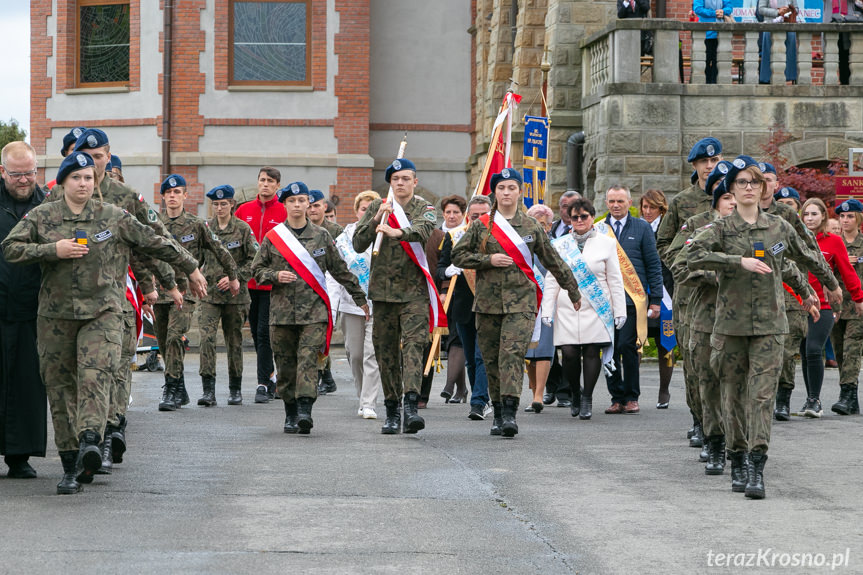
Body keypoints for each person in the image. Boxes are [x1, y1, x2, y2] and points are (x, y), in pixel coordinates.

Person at [1, 151, 202, 494]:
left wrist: (191, 268)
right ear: (63, 182)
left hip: (103, 314)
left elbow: (156, 241)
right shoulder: (42, 216)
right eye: (76, 178)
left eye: (89, 178)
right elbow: (11, 248)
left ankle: (91, 441)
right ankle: (70, 465)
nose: (84, 183)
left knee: (95, 376)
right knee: (61, 390)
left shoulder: (114, 216)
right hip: (55, 318)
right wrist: (53, 249)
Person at [687, 156, 832, 499]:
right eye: (741, 183)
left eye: (754, 182)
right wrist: (736, 261)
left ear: (764, 188)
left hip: (770, 325)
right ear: (732, 191)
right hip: (731, 327)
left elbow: (803, 256)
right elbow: (692, 255)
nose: (749, 187)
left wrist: (823, 287)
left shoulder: (778, 228)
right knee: (733, 396)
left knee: (762, 397)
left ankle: (756, 465)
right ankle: (736, 458)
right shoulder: (720, 229)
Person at [51, 128, 183, 469]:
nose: (93, 165)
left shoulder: (126, 197)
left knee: (114, 370)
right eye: (84, 157)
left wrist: (165, 283)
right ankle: (93, 438)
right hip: (74, 302)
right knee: (86, 375)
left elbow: (151, 241)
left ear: (108, 157)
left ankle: (110, 432)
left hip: (119, 300)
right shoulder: (59, 197)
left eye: (98, 157)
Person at [452, 168, 582, 437]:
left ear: (519, 191)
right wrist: (487, 261)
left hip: (521, 304)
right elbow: (458, 255)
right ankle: (498, 412)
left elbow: (552, 260)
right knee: (491, 360)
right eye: (501, 188)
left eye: (512, 187)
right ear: (495, 192)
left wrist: (573, 289)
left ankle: (510, 413)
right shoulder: (481, 225)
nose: (507, 192)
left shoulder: (531, 226)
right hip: (487, 304)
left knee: (511, 355)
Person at [252, 182, 368, 435]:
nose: (297, 205)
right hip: (281, 315)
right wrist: (274, 275)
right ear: (285, 204)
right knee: (285, 365)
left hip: (314, 314)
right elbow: (256, 271)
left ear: (309, 204)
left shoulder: (322, 236)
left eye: (302, 200)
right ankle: (290, 412)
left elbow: (339, 270)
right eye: (292, 201)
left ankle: (305, 410)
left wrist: (360, 297)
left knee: (307, 360)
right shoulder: (273, 238)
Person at [353, 158, 440, 435]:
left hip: (413, 293)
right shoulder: (380, 206)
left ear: (415, 181)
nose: (400, 183)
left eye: (406, 178)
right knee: (386, 353)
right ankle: (392, 409)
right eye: (395, 179)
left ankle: (411, 407)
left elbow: (423, 231)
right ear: (390, 182)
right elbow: (358, 243)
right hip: (383, 294)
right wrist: (377, 218)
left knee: (414, 348)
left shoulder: (424, 207)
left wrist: (397, 231)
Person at [668, 165, 737, 473]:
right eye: (725, 192)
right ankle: (710, 434)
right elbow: (675, 260)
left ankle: (737, 442)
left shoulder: (755, 228)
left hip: (740, 318)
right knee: (703, 378)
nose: (733, 199)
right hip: (702, 312)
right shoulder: (697, 226)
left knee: (737, 383)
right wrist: (712, 274)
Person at [154, 174, 239, 412]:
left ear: (184, 196)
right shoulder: (155, 224)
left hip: (186, 291)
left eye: (177, 192)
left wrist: (233, 276)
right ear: (163, 196)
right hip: (160, 291)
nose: (172, 196)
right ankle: (179, 387)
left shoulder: (196, 224)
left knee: (174, 337)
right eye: (168, 193)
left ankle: (170, 389)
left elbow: (219, 249)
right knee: (164, 343)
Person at [657, 137, 721, 446]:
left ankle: (720, 425)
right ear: (694, 166)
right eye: (704, 162)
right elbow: (664, 244)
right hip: (690, 295)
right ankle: (699, 420)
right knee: (695, 362)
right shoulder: (683, 202)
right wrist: (686, 270)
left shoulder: (731, 197)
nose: (710, 166)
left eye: (714, 160)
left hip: (727, 295)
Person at [543, 197, 626, 420]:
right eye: (574, 217)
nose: (579, 220)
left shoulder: (606, 243)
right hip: (567, 306)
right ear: (569, 220)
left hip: (596, 306)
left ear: (592, 218)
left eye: (584, 216)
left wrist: (620, 311)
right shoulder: (559, 244)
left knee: (591, 351)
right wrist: (546, 310)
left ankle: (587, 397)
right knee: (569, 354)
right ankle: (575, 394)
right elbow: (552, 279)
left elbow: (615, 280)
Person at [0, 141, 48, 479]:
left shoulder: (48, 206)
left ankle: (19, 456)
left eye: (29, 173)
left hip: (33, 311)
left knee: (26, 384)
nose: (24, 180)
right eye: (17, 174)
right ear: (2, 171)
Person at [799, 197, 863, 417]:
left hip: (840, 305)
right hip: (816, 305)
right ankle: (849, 399)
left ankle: (832, 397)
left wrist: (859, 297)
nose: (809, 218)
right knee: (825, 351)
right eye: (806, 214)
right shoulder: (801, 240)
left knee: (834, 349)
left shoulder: (837, 242)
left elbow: (848, 273)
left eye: (814, 214)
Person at [603, 185, 663, 415]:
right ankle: (616, 396)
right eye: (611, 201)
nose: (616, 205)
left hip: (631, 300)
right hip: (605, 300)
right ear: (606, 203)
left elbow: (653, 264)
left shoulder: (642, 228)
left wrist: (655, 299)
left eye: (620, 201)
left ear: (629, 203)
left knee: (627, 346)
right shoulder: (599, 229)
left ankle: (631, 396)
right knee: (608, 349)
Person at [197, 185, 259, 406]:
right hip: (210, 295)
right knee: (206, 339)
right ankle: (208, 390)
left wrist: (237, 277)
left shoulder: (242, 229)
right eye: (215, 204)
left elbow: (254, 260)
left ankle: (235, 388)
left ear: (232, 204)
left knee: (234, 341)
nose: (219, 208)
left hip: (236, 295)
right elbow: (196, 259)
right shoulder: (205, 228)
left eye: (224, 204)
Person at [437, 195, 492, 420]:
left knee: (482, 356)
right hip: (463, 306)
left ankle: (478, 401)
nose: (479, 219)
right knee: (470, 357)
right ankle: (481, 397)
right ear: (468, 216)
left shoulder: (498, 236)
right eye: (475, 215)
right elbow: (440, 268)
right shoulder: (455, 236)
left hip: (489, 305)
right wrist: (448, 271)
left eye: (483, 215)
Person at [234, 167, 286, 403]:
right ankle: (273, 375)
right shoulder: (244, 210)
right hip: (248, 284)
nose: (265, 184)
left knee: (265, 333)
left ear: (277, 186)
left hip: (271, 285)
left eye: (270, 181)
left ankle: (263, 383)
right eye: (262, 180)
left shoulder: (284, 211)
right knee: (256, 333)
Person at [333, 191, 383, 419]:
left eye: (371, 209)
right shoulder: (345, 238)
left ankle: (369, 402)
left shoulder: (384, 234)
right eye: (363, 209)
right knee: (355, 354)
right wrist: (332, 307)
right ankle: (362, 395)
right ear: (356, 211)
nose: (367, 213)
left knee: (371, 354)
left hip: (378, 304)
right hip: (351, 304)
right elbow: (334, 272)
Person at [421, 195, 467, 409]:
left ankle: (452, 386)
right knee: (449, 340)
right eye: (448, 212)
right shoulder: (438, 235)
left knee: (458, 339)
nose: (451, 216)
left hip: (458, 294)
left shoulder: (465, 233)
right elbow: (439, 266)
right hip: (437, 295)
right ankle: (460, 387)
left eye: (455, 212)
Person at [639, 189, 675, 408]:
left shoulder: (668, 228)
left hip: (666, 293)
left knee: (666, 344)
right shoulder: (638, 227)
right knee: (637, 343)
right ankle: (634, 391)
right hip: (641, 294)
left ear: (661, 208)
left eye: (652, 207)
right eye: (644, 207)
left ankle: (664, 391)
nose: (647, 211)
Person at [307, 188, 342, 394]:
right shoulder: (300, 230)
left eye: (316, 205)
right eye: (309, 206)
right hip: (307, 289)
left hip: (330, 288)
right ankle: (326, 377)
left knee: (322, 332)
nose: (312, 210)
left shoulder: (335, 231)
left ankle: (321, 376)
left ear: (324, 207)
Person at [524, 204, 558, 414]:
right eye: (536, 223)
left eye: (544, 224)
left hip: (548, 302)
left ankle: (539, 394)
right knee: (529, 349)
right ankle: (533, 391)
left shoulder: (557, 246)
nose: (540, 227)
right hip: (525, 302)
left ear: (550, 226)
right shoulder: (521, 246)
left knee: (544, 347)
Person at [831, 198, 863, 415]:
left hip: (858, 306)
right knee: (840, 351)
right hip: (837, 306)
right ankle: (851, 399)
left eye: (849, 216)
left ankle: (846, 394)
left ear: (858, 218)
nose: (845, 220)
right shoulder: (835, 242)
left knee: (852, 349)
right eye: (842, 216)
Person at [757, 0, 800, 84]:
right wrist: (778, 12)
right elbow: (761, 9)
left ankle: (789, 77)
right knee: (769, 51)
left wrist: (788, 11)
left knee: (791, 41)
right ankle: (767, 79)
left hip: (788, 25)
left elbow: (797, 9)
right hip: (770, 25)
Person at [693, 0, 732, 83]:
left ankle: (715, 85)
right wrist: (714, 13)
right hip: (706, 34)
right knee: (705, 61)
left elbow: (729, 7)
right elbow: (697, 9)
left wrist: (723, 11)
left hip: (721, 34)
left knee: (718, 62)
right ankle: (706, 85)